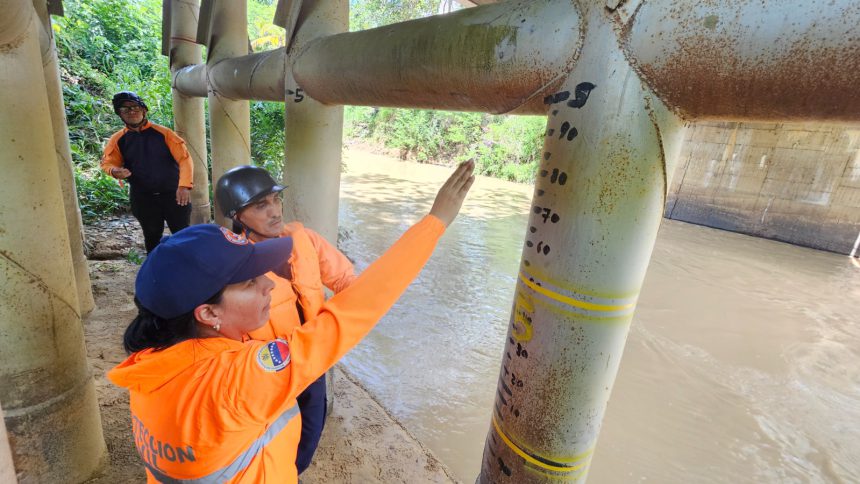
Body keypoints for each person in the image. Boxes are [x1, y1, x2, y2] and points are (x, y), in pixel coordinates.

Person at [108, 161, 475, 483]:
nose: (268, 282)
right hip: (287, 372)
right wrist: (434, 223)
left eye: (274, 199)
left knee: (309, 425)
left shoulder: (150, 368)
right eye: (251, 281)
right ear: (208, 314)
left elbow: (348, 286)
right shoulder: (242, 379)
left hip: (290, 381)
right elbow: (352, 312)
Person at [214, 165, 356, 474]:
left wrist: (349, 319)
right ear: (238, 216)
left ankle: (292, 474)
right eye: (261, 205)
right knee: (268, 438)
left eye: (276, 200)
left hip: (311, 361)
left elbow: (347, 281)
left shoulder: (305, 240)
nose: (275, 211)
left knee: (310, 432)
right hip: (266, 372)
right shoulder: (231, 263)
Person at [101, 91, 194, 253]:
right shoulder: (118, 139)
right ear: (119, 114)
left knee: (182, 233)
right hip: (143, 197)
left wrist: (184, 186)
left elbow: (184, 159)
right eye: (125, 109)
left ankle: (188, 269)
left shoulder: (164, 133)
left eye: (135, 107)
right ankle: (155, 272)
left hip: (174, 194)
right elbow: (108, 163)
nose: (131, 111)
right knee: (151, 236)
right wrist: (114, 171)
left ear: (144, 110)